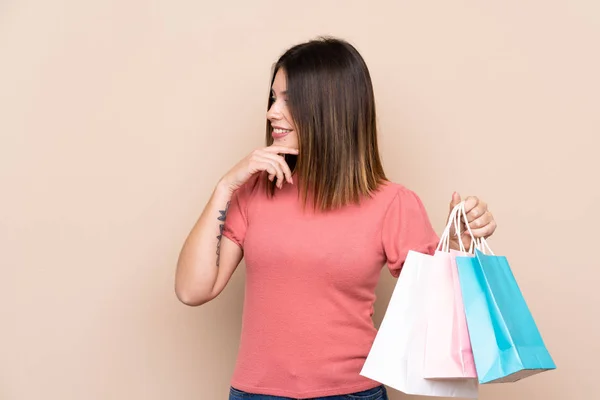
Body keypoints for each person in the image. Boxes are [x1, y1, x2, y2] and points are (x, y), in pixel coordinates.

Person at [175, 37, 497, 400]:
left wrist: (459, 249)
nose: (271, 113)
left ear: (330, 108)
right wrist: (224, 187)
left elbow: (441, 311)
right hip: (256, 394)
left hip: (351, 394)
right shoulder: (255, 193)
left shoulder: (392, 203)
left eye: (288, 100)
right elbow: (192, 290)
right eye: (272, 97)